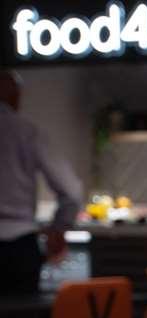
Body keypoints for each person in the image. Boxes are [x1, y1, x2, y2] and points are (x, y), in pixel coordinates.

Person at [0, 70, 82, 294]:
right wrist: (58, 230)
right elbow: (72, 192)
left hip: (20, 241)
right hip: (18, 247)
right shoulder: (26, 132)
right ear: (16, 97)